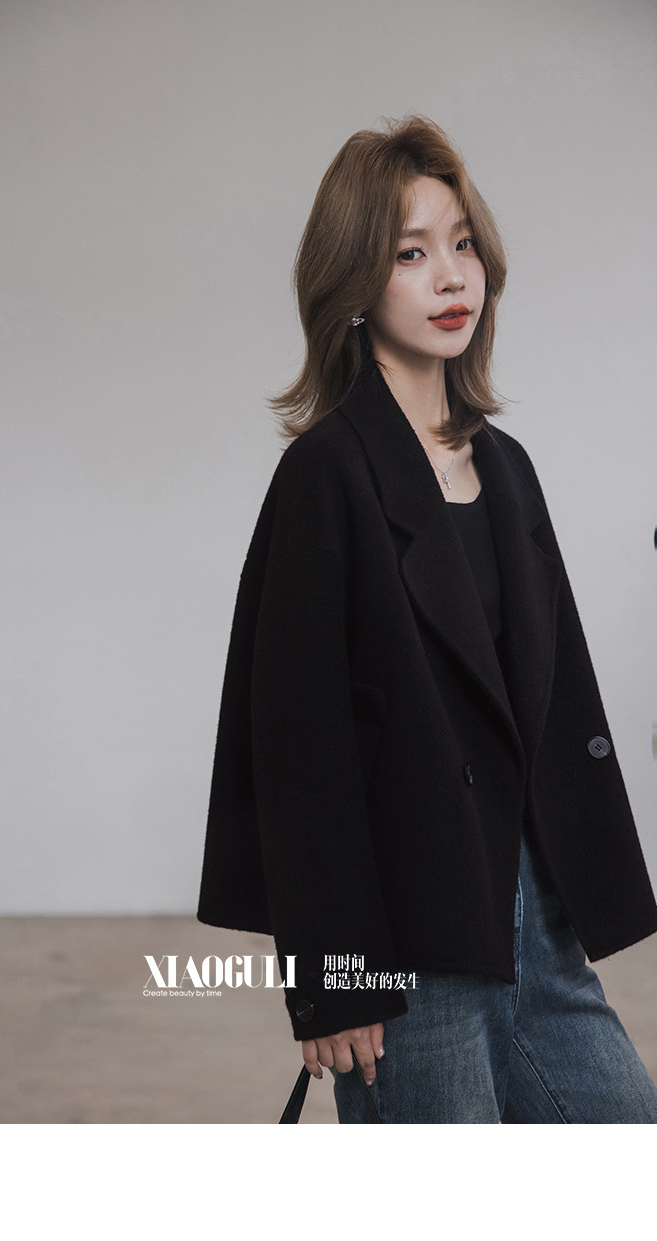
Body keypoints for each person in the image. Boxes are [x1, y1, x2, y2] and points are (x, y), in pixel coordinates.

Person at [197, 116, 657, 1123]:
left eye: (462, 243)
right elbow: (301, 750)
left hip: (537, 927)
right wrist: (334, 978)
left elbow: (550, 701)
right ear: (355, 281)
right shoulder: (325, 476)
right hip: (409, 944)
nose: (451, 276)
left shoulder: (506, 467)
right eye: (410, 253)